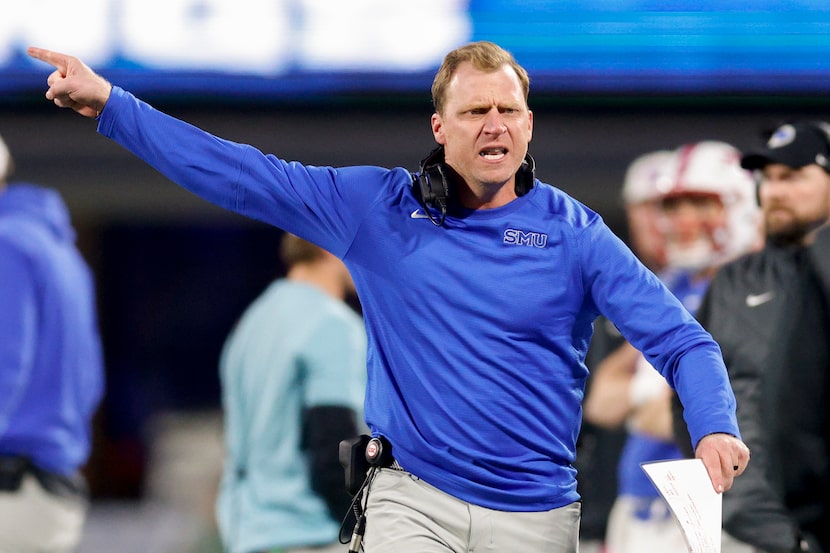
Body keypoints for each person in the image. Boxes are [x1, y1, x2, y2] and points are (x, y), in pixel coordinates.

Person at [27, 41, 750, 553]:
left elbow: (683, 340)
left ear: (529, 124)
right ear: (440, 129)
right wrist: (114, 106)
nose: (494, 123)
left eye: (508, 109)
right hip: (414, 500)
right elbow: (239, 175)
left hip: (536, 514)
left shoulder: (576, 235)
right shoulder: (377, 208)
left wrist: (715, 423)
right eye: (474, 112)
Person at [585, 141, 761, 553]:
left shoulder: (753, 289)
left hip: (716, 506)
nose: (683, 219)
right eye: (675, 206)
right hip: (642, 501)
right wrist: (660, 396)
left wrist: (657, 398)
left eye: (701, 203)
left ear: (739, 204)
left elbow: (753, 418)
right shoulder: (676, 286)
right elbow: (601, 400)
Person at [674, 121, 830, 553]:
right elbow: (689, 394)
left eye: (794, 176)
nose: (776, 191)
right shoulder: (734, 282)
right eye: (770, 179)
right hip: (743, 526)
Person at [216, 232, 367, 553]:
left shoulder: (250, 323)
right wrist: (366, 529)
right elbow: (333, 450)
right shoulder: (333, 325)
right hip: (314, 534)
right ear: (328, 245)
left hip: (248, 534)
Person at [0, 132, 105, 552]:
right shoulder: (58, 250)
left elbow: (4, 365)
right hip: (48, 494)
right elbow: (90, 382)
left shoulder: (8, 244)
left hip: (14, 495)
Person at [576, 148, 673, 553]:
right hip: (596, 503)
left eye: (665, 207)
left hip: (667, 508)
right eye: (646, 208)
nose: (661, 222)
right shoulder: (599, 289)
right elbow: (597, 403)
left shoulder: (713, 293)